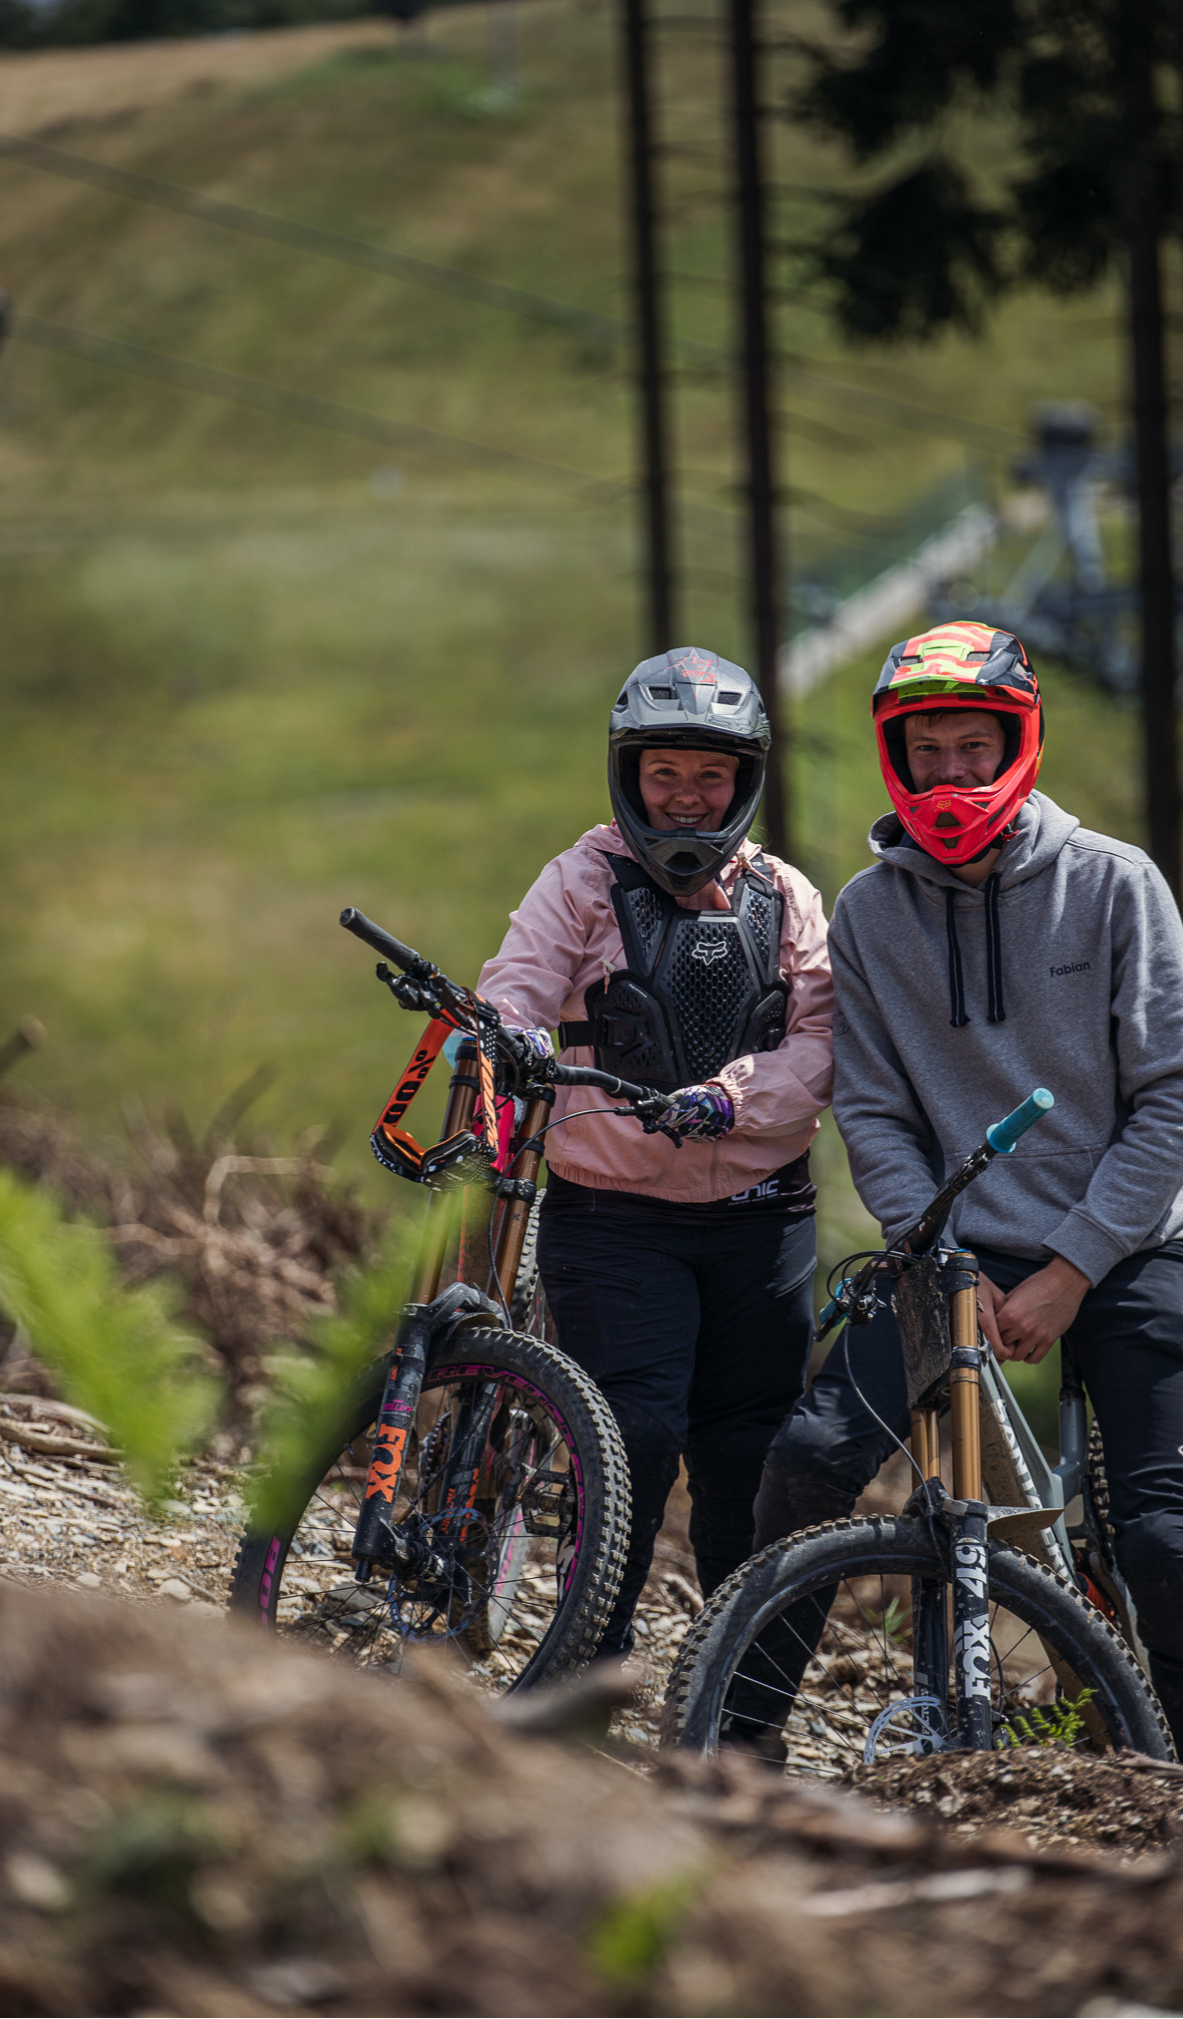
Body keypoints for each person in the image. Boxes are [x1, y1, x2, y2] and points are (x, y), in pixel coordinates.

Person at [751, 618, 1183, 1772]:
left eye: (970, 748)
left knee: (1170, 1558)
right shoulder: (871, 914)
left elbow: (1174, 1106)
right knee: (809, 1463)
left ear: (1016, 744)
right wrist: (943, 1255)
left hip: (1125, 1250)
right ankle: (737, 1747)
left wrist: (1071, 1270)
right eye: (923, 750)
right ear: (895, 755)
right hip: (948, 1256)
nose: (947, 774)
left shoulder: (1113, 884)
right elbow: (870, 1110)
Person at [475, 646, 834, 1659]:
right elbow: (515, 980)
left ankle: (738, 1689)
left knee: (751, 1459)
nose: (684, 798)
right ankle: (595, 1656)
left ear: (746, 779)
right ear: (627, 772)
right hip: (612, 1217)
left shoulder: (786, 897)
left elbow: (820, 1042)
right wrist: (516, 1034)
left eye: (709, 775)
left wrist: (730, 1100)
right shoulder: (581, 878)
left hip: (762, 1222)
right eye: (662, 773)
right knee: (632, 1435)